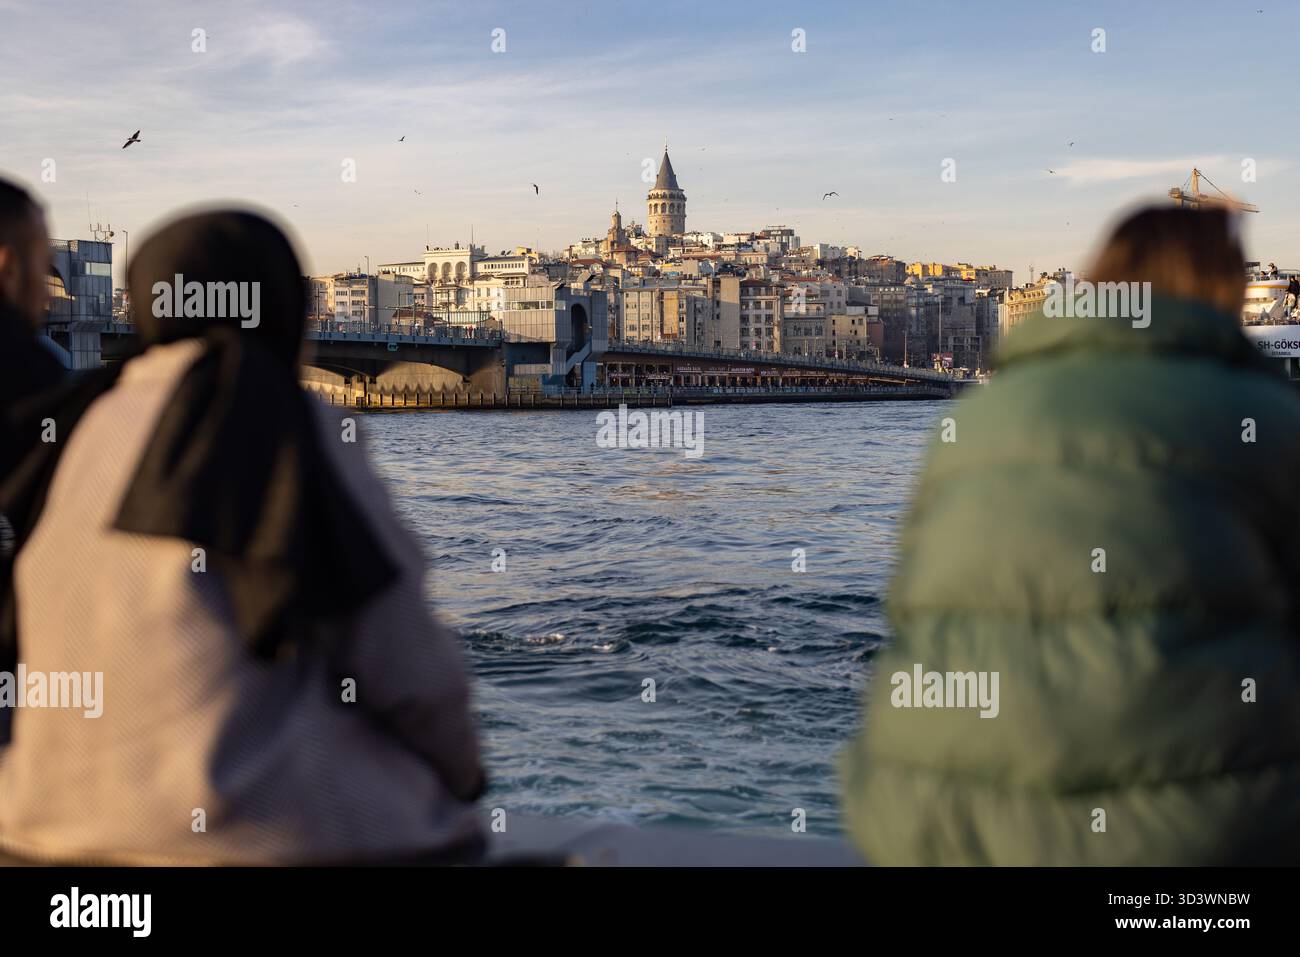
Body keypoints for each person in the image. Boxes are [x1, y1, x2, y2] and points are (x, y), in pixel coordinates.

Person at [0, 209, 484, 864]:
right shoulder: (282, 415)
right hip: (244, 836)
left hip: (38, 822)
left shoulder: (80, 419)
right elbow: (404, 657)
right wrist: (461, 775)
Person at [840, 205, 1300, 865]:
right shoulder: (1261, 414)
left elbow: (912, 605)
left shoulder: (979, 418)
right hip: (1184, 836)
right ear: (1219, 291)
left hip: (923, 814)